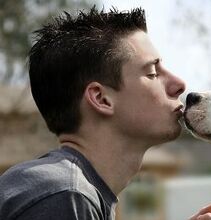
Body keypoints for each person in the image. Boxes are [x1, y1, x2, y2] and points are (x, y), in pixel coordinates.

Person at [0, 6, 189, 220]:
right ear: (101, 98)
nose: (179, 84)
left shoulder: (67, 192)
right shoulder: (64, 196)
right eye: (153, 73)